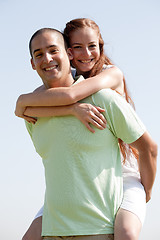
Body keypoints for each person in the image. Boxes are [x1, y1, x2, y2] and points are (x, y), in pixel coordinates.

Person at [15, 22, 157, 240]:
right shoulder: (38, 111)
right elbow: (59, 99)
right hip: (74, 191)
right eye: (78, 47)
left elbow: (71, 95)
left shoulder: (107, 82)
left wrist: (146, 191)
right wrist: (22, 102)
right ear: (71, 52)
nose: (86, 54)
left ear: (66, 53)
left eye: (92, 46)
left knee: (126, 233)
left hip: (125, 174)